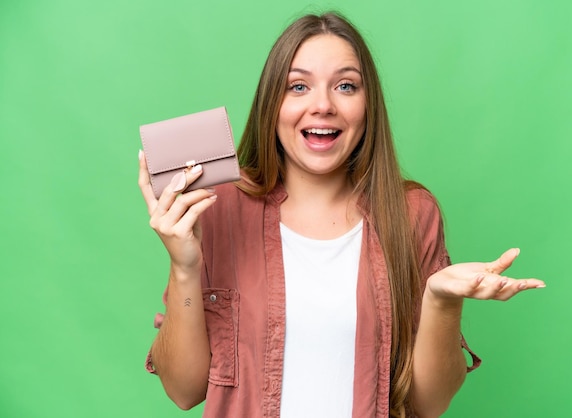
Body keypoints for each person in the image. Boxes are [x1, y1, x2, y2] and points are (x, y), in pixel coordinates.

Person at [138, 12, 545, 418]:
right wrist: (184, 265)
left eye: (345, 86)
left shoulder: (411, 214)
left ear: (368, 106)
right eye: (298, 86)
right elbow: (182, 390)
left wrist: (441, 301)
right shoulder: (219, 207)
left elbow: (430, 403)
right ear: (272, 104)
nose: (322, 105)